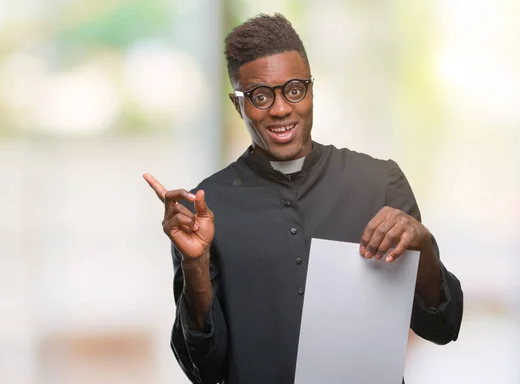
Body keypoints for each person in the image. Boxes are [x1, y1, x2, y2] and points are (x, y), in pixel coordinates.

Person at [143, 13, 463, 384]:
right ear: (237, 104)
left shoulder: (381, 183)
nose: (280, 109)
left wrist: (422, 246)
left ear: (311, 90)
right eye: (260, 96)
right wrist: (194, 266)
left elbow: (443, 326)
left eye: (294, 89)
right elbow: (203, 369)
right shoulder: (202, 210)